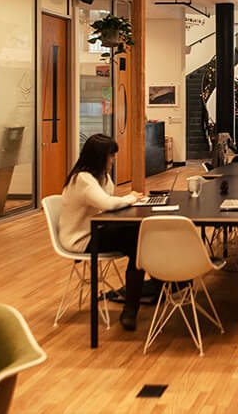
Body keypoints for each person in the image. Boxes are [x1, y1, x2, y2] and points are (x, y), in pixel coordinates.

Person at [58, 134, 145, 331]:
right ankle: (133, 308)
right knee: (138, 240)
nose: (113, 160)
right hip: (81, 239)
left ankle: (143, 297)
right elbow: (106, 203)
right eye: (111, 156)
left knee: (138, 238)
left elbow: (107, 200)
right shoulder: (83, 179)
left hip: (95, 230)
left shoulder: (98, 177)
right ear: (100, 157)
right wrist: (131, 198)